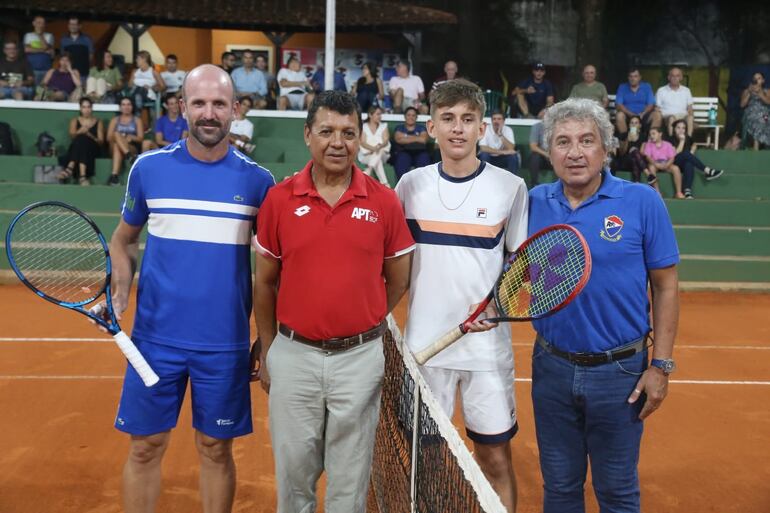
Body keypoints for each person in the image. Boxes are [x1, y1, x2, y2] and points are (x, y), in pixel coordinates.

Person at [101, 64, 274, 513]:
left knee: (215, 449)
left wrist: (267, 337)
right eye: (199, 102)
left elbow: (275, 268)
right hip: (154, 341)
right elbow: (123, 240)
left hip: (224, 344)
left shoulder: (259, 183)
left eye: (219, 103)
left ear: (235, 110)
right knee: (145, 446)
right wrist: (121, 284)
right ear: (182, 108)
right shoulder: (148, 169)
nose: (209, 112)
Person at [253, 90, 414, 513]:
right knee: (294, 482)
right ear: (308, 135)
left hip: (359, 360)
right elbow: (265, 283)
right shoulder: (279, 200)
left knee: (349, 486)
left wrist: (361, 317)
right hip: (293, 356)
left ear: (360, 139)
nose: (337, 142)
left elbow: (398, 279)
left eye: (348, 132)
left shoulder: (384, 201)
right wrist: (269, 350)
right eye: (326, 131)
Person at [528, 97, 679, 513]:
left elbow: (666, 287)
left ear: (606, 147)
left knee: (616, 492)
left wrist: (661, 365)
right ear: (549, 151)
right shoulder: (532, 203)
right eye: (562, 142)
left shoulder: (642, 202)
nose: (575, 152)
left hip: (621, 374)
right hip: (552, 369)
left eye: (586, 140)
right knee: (559, 488)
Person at [395, 78, 528, 513]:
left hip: (485, 352)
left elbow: (518, 266)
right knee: (425, 463)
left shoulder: (510, 188)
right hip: (424, 352)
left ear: (481, 127)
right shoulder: (409, 187)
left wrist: (497, 303)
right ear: (431, 127)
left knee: (493, 458)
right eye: (447, 119)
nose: (457, 129)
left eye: (467, 120)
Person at [669, 119, 724, 199]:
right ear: (674, 129)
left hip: (684, 164)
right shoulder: (670, 139)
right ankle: (707, 170)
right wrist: (682, 141)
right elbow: (674, 154)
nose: (681, 130)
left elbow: (694, 144)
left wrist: (692, 151)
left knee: (689, 163)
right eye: (678, 128)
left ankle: (687, 191)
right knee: (686, 154)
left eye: (683, 128)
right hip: (673, 163)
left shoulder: (688, 138)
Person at [59, 97, 104, 185]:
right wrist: (80, 131)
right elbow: (72, 136)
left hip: (93, 148)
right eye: (84, 107)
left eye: (88, 107)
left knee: (83, 139)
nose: (86, 110)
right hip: (78, 147)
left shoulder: (98, 121)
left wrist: (89, 135)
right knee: (81, 139)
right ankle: (82, 176)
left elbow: (101, 141)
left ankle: (69, 168)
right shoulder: (75, 120)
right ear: (80, 108)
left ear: (91, 108)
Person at [106, 97, 145, 185]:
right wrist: (122, 137)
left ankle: (114, 176)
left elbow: (140, 138)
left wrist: (131, 137)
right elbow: (108, 138)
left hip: (131, 147)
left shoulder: (137, 120)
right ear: (120, 107)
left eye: (128, 104)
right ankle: (129, 156)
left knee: (117, 146)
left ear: (132, 106)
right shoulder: (115, 120)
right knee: (116, 135)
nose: (126, 107)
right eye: (123, 105)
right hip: (114, 147)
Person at [614, 67, 660, 139]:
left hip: (644, 115)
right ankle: (626, 141)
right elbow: (619, 105)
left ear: (640, 77)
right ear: (628, 78)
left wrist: (643, 113)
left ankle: (651, 141)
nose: (633, 79)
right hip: (628, 116)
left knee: (657, 115)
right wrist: (632, 115)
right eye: (631, 76)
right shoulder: (622, 87)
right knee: (619, 115)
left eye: (635, 76)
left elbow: (651, 104)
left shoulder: (646, 86)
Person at [642, 126, 684, 198]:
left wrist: (667, 164)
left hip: (666, 163)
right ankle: (657, 192)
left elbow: (672, 157)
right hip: (655, 163)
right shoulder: (649, 144)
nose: (651, 136)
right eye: (650, 134)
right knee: (651, 167)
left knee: (676, 168)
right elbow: (648, 157)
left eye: (653, 134)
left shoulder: (667, 144)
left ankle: (678, 192)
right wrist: (656, 164)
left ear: (660, 134)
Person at [392, 106, 431, 181]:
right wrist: (417, 137)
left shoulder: (421, 127)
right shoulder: (399, 127)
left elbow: (423, 140)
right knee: (401, 161)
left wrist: (405, 136)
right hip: (404, 151)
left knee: (424, 160)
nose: (411, 117)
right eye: (408, 115)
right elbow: (398, 140)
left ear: (416, 117)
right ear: (405, 116)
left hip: (420, 151)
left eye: (413, 115)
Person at [128, 50, 165, 127]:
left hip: (147, 94)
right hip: (135, 92)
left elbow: (163, 86)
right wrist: (134, 84)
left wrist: (153, 87)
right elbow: (129, 85)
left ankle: (137, 115)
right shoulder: (135, 71)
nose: (136, 61)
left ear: (144, 59)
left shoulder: (153, 72)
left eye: (138, 59)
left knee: (141, 90)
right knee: (137, 90)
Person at [478, 110, 520, 175]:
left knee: (513, 156)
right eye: (494, 119)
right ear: (491, 120)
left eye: (499, 119)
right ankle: (484, 178)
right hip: (489, 158)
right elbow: (483, 148)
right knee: (484, 155)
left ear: (503, 121)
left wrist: (500, 135)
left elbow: (511, 148)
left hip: (502, 159)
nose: (496, 121)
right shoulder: (486, 129)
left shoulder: (508, 129)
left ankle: (513, 182)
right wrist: (503, 152)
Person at [655, 67, 694, 136]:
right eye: (672, 76)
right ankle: (672, 141)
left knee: (690, 118)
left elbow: (690, 108)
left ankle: (688, 140)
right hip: (667, 117)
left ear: (681, 78)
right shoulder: (661, 90)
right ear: (668, 77)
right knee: (671, 118)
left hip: (682, 116)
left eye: (677, 76)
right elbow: (657, 108)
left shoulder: (686, 90)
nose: (675, 78)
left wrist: (691, 115)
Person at [358, 104, 391, 185]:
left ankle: (369, 169)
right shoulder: (364, 126)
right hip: (366, 155)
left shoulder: (384, 126)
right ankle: (385, 184)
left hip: (382, 154)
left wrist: (379, 147)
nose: (380, 116)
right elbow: (362, 142)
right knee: (378, 160)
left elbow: (386, 141)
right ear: (370, 115)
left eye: (380, 114)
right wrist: (373, 149)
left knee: (380, 150)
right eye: (378, 114)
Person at [611, 115, 647, 183]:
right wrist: (627, 140)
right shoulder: (623, 135)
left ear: (640, 125)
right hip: (625, 162)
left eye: (636, 123)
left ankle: (637, 183)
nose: (634, 125)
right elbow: (621, 153)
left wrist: (634, 151)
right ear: (629, 125)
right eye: (632, 123)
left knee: (634, 154)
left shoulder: (643, 136)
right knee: (634, 151)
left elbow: (642, 153)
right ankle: (648, 174)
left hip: (638, 162)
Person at [740, 71, 770, 150]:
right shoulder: (747, 91)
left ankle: (759, 147)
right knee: (758, 121)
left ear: (763, 80)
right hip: (751, 115)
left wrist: (760, 94)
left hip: (765, 115)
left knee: (764, 120)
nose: (757, 80)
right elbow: (742, 105)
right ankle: (756, 147)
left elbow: (768, 102)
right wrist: (749, 93)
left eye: (759, 78)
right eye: (755, 78)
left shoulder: (767, 91)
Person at [23, 15, 54, 85]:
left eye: (43, 23)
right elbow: (26, 49)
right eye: (38, 22)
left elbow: (46, 47)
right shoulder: (28, 35)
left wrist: (40, 35)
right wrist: (43, 50)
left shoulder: (49, 36)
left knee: (42, 91)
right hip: (31, 69)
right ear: (33, 23)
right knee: (32, 91)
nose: (41, 25)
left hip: (46, 69)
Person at [528, 120, 552, 187]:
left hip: (555, 155)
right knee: (534, 156)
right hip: (543, 156)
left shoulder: (559, 126)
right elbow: (533, 147)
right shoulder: (537, 126)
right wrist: (546, 154)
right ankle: (534, 183)